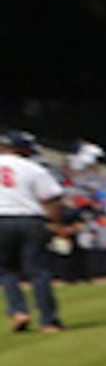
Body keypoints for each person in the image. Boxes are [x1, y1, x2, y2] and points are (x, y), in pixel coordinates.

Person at [0, 133, 64, 333]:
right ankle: (49, 321)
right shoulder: (35, 168)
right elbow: (52, 199)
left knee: (7, 271)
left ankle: (18, 311)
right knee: (38, 272)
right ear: (24, 149)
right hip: (31, 220)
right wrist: (55, 224)